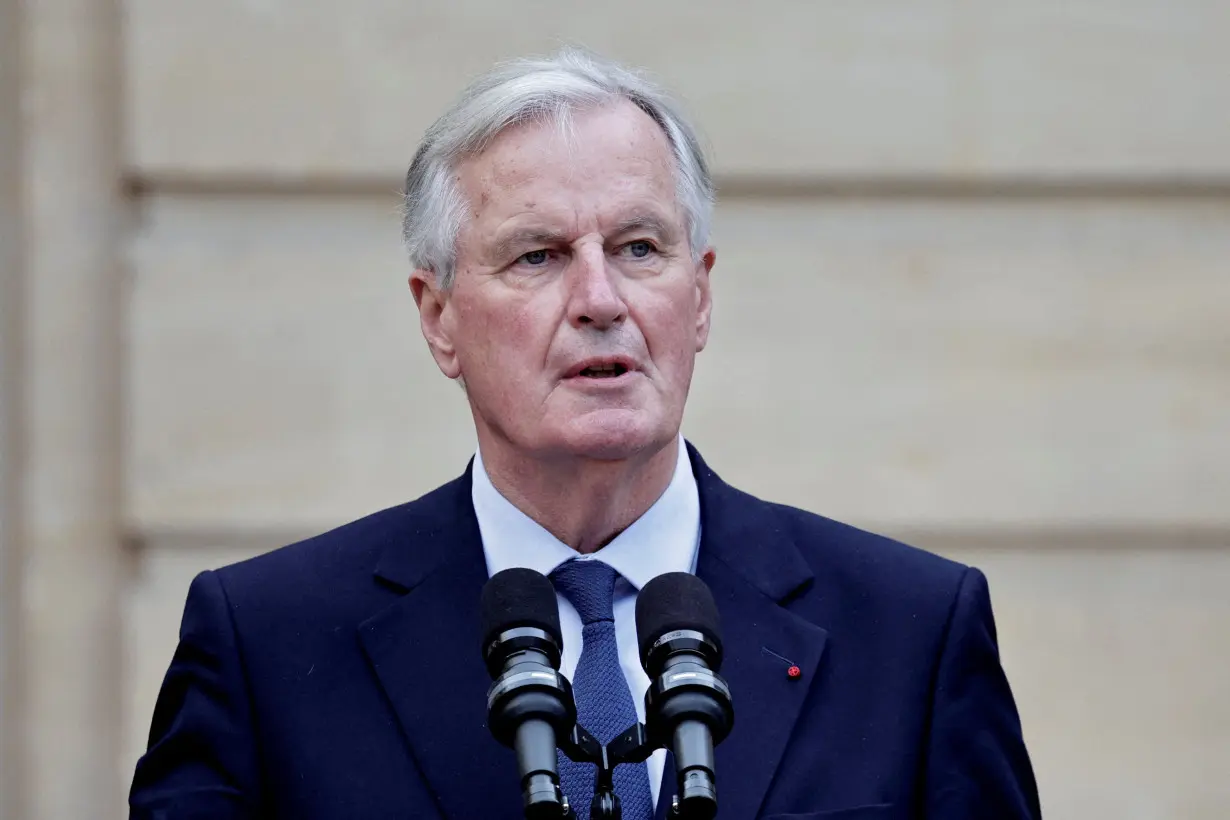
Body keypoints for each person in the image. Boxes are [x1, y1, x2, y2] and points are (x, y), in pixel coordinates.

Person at [129, 48, 1041, 820]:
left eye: (641, 248)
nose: (602, 301)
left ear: (701, 296)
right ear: (438, 316)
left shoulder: (912, 635)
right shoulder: (267, 646)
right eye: (539, 256)